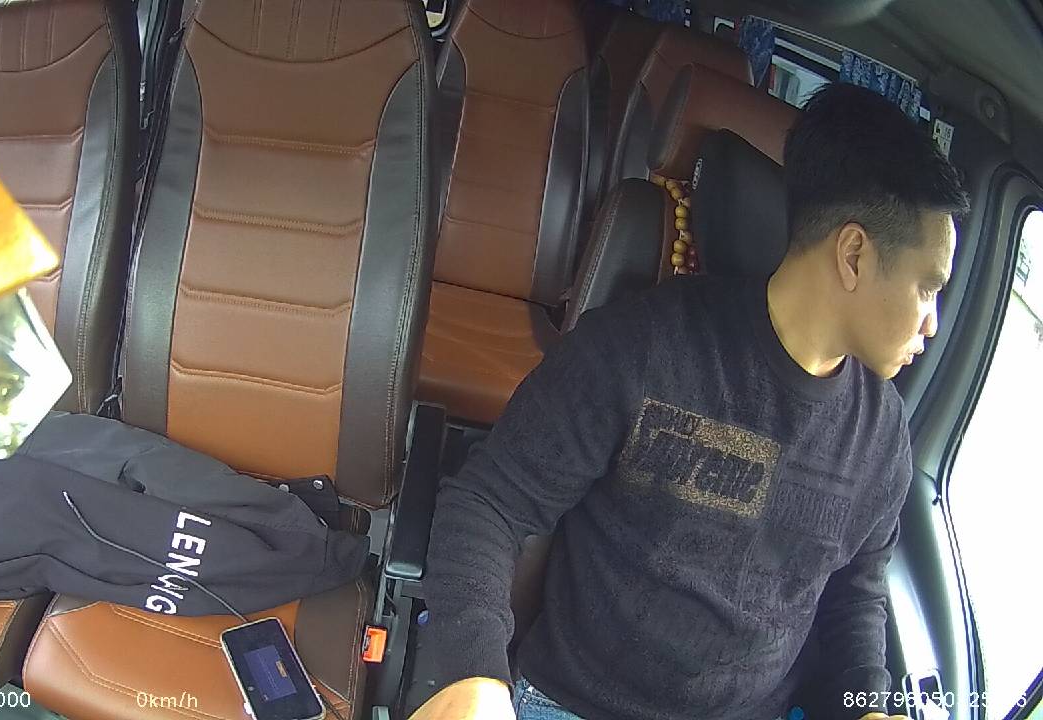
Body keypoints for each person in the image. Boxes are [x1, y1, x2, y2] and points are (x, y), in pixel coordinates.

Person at [413, 82, 969, 720]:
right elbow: (489, 501)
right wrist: (472, 677)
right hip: (577, 703)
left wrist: (868, 705)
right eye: (928, 289)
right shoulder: (643, 348)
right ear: (853, 255)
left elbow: (854, 598)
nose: (932, 324)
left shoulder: (883, 436)